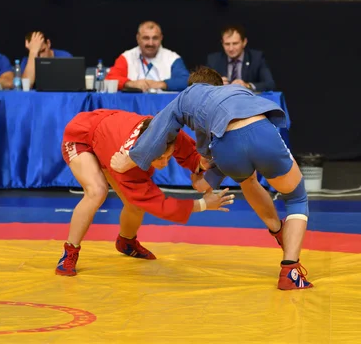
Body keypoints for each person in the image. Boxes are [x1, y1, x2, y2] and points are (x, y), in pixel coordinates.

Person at [110, 67, 312, 290]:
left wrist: (130, 159)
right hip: (259, 132)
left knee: (247, 180)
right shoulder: (234, 90)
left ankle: (277, 231)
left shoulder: (188, 97)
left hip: (227, 150)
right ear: (218, 86)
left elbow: (160, 127)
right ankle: (289, 268)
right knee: (296, 199)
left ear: (193, 86)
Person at [56, 109, 235, 276]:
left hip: (108, 135)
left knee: (133, 205)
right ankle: (70, 251)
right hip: (83, 136)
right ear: (144, 154)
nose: (164, 163)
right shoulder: (127, 165)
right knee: (97, 191)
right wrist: (204, 204)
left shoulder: (167, 134)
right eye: (158, 159)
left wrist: (201, 169)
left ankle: (126, 241)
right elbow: (159, 205)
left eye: (168, 156)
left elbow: (193, 157)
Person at [105, 21, 189, 92]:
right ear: (138, 38)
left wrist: (161, 84)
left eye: (155, 38)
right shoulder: (127, 57)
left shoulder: (172, 58)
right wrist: (131, 84)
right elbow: (110, 79)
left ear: (161, 38)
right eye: (146, 38)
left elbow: (186, 81)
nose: (150, 43)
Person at [206, 25, 276, 91]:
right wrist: (215, 84)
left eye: (235, 43)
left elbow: (270, 84)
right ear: (222, 43)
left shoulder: (256, 58)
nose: (231, 48)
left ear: (244, 42)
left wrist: (247, 85)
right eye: (227, 44)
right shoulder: (213, 60)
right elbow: (203, 86)